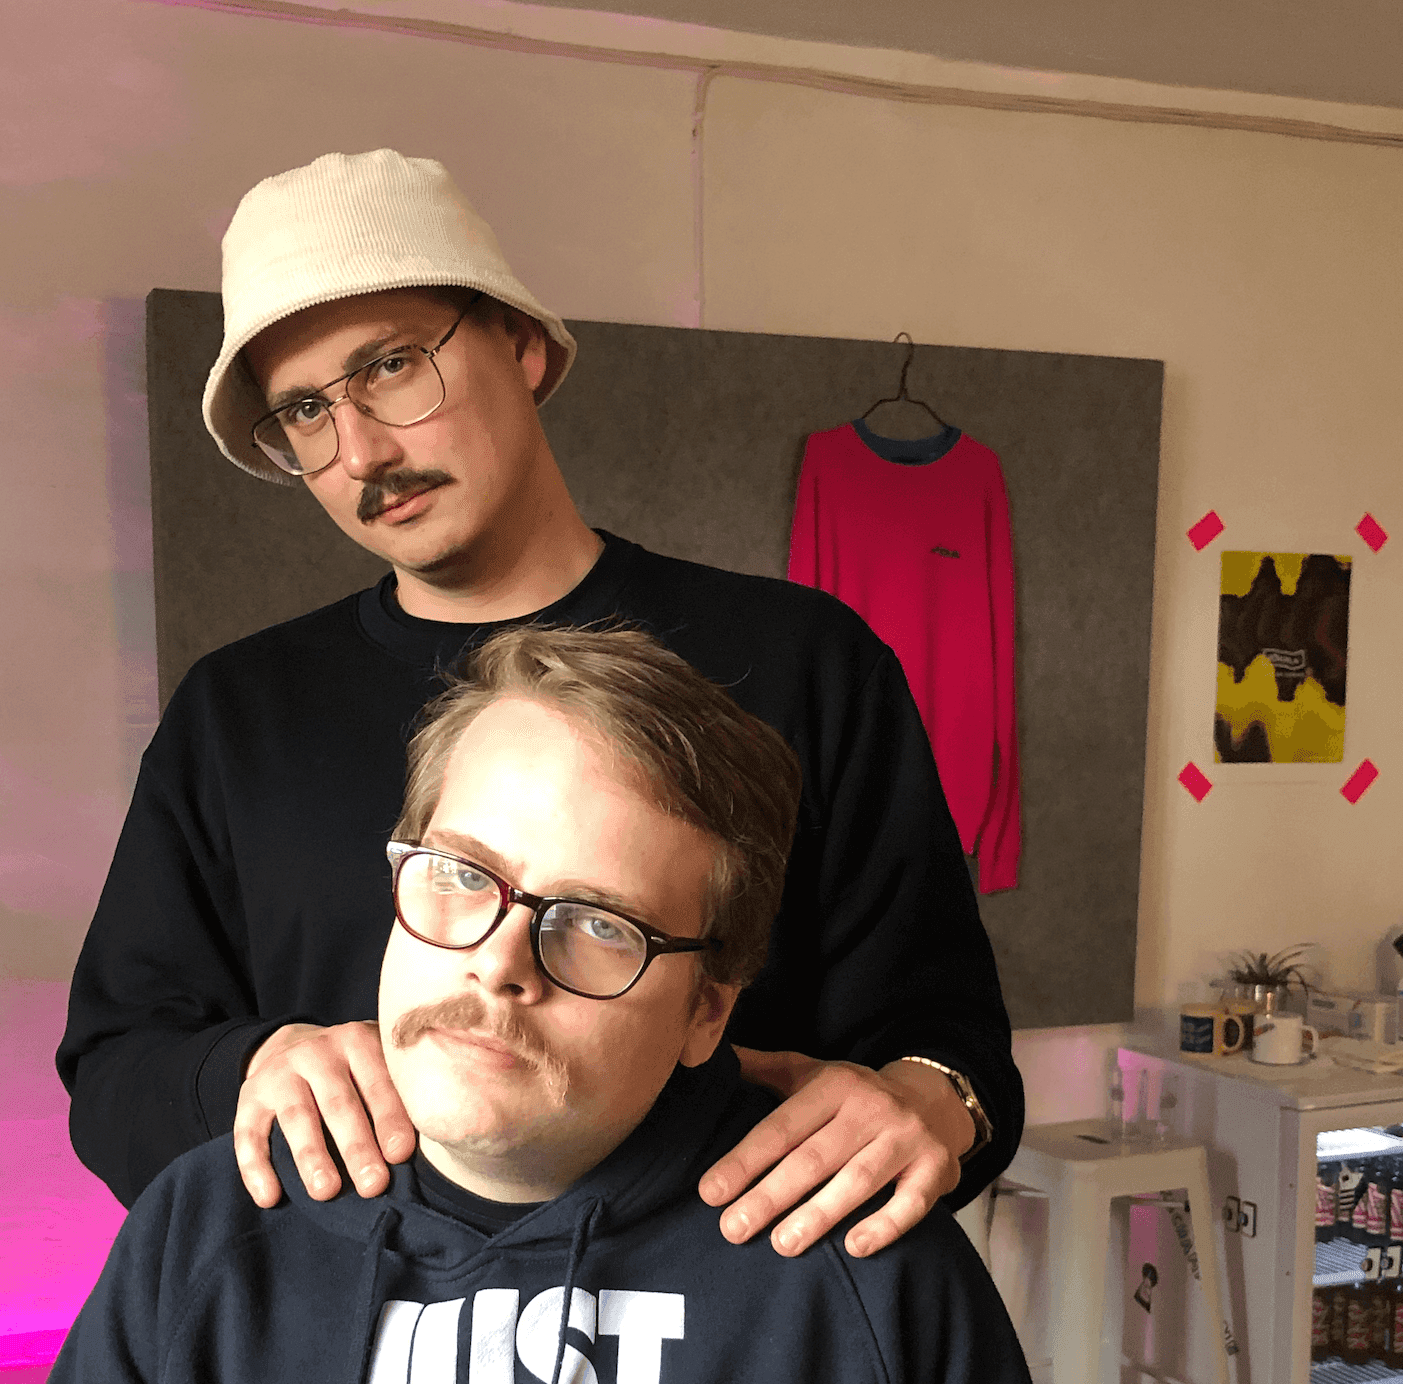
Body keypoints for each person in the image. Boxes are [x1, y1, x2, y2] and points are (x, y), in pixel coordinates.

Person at [0, 626, 1111, 1384]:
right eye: (459, 875)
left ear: (708, 1011)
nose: (498, 962)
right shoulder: (204, 1239)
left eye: (597, 924)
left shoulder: (858, 1258)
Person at [59, 147, 1024, 1260]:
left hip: (731, 1327)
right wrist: (244, 1069)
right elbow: (116, 1069)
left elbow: (951, 1047)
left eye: (391, 367)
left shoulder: (806, 661)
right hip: (344, 1334)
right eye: (307, 411)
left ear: (522, 346)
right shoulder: (237, 714)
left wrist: (925, 1101)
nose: (361, 451)